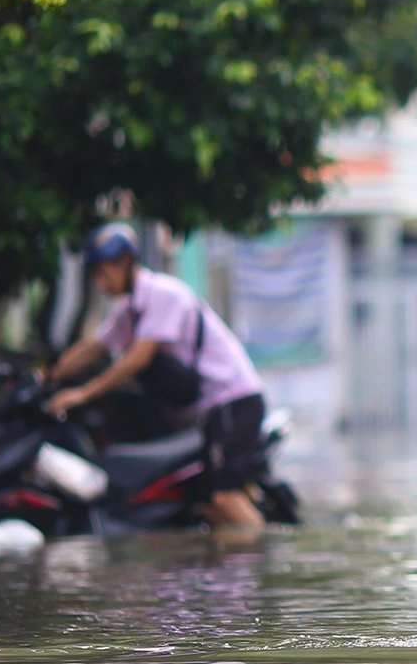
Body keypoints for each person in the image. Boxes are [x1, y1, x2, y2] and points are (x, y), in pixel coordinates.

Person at [46, 222, 268, 534]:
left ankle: (260, 569)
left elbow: (136, 359)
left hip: (234, 402)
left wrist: (81, 394)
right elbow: (94, 347)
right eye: (94, 275)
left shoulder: (164, 294)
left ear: (125, 263)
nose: (99, 282)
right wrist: (48, 375)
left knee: (223, 497)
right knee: (206, 502)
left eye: (103, 272)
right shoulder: (130, 310)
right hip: (214, 411)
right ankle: (228, 574)